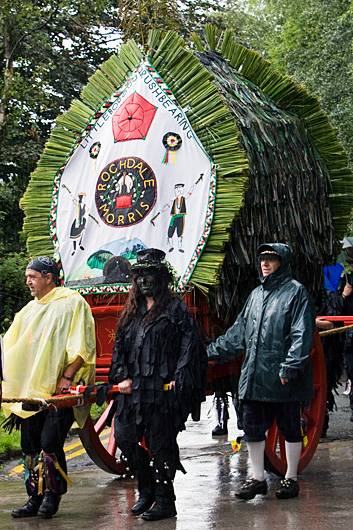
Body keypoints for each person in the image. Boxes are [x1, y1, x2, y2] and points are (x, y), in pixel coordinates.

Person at [207, 243, 314, 500]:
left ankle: (290, 477)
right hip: (254, 376)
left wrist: (290, 366)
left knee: (289, 426)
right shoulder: (255, 295)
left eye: (271, 259)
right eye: (262, 259)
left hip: (281, 376)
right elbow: (238, 333)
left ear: (282, 262)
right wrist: (208, 352)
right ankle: (257, 477)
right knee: (253, 428)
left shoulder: (296, 293)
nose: (264, 263)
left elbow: (302, 333)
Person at [108, 248, 207, 521]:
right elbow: (119, 347)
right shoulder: (132, 311)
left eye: (149, 275)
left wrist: (180, 376)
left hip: (162, 391)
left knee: (161, 443)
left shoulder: (175, 309)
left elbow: (190, 345)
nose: (143, 281)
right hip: (134, 390)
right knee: (126, 437)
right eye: (139, 276)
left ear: (160, 278)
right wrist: (121, 376)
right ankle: (147, 487)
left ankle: (165, 501)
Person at [2, 256, 95, 519]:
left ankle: (52, 495)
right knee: (29, 443)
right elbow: (12, 345)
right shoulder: (29, 311)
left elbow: (81, 345)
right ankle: (34, 496)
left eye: (32, 276)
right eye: (27, 277)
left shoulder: (71, 303)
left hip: (58, 389)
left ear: (48, 277)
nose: (27, 281)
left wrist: (68, 376)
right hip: (31, 388)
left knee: (49, 442)